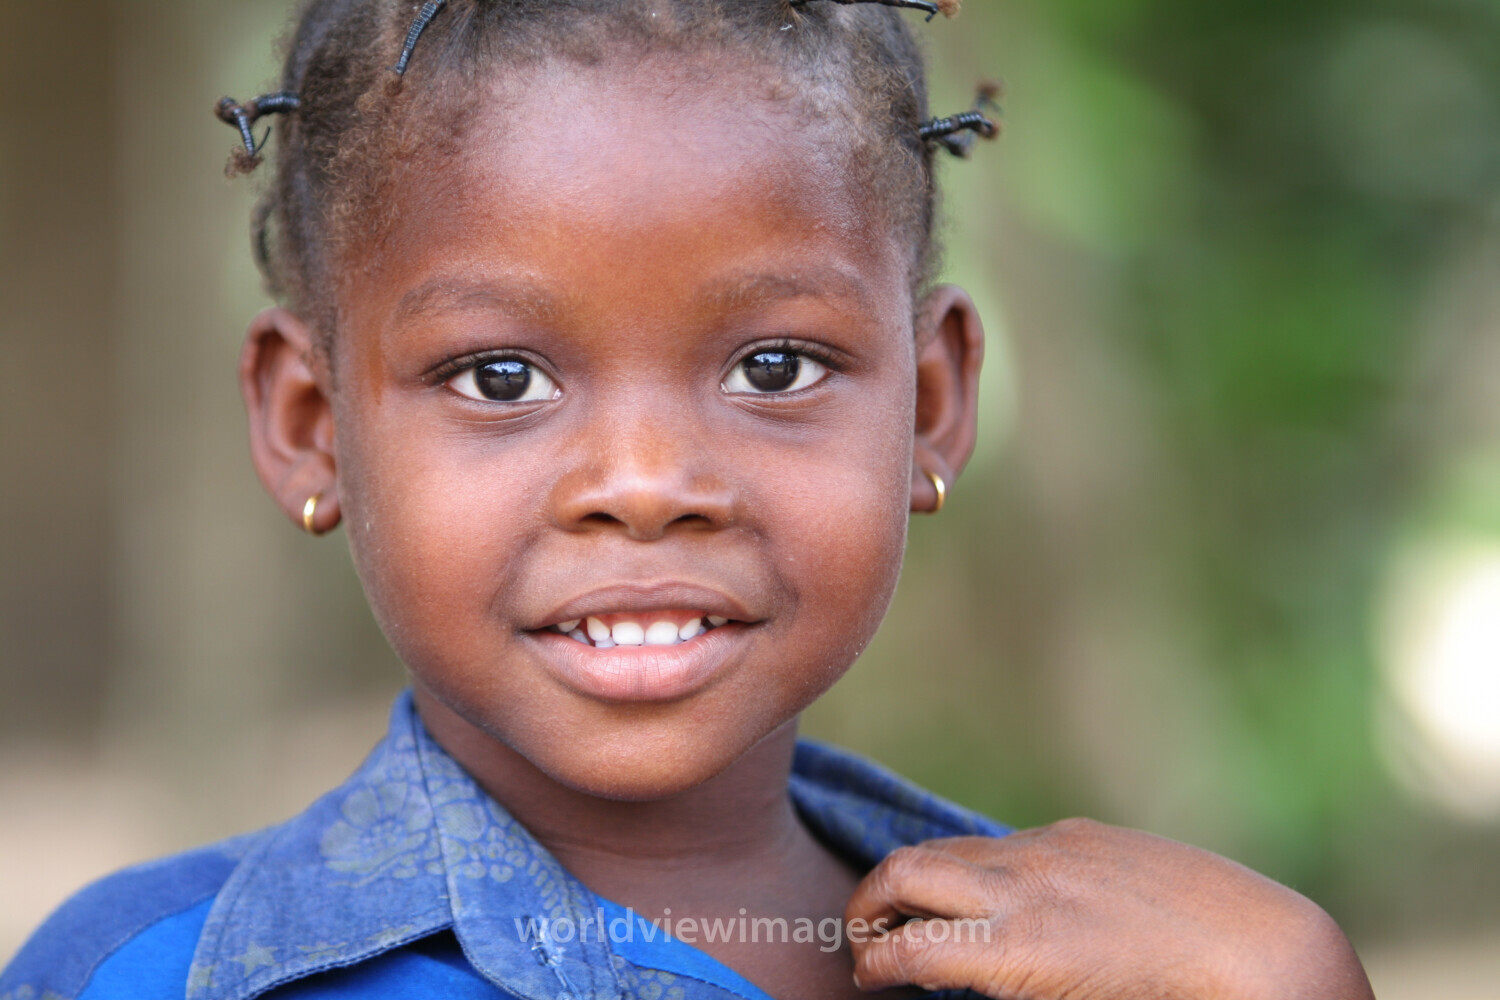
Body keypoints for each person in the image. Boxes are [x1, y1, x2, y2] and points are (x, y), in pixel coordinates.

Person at [1, 2, 1377, 998]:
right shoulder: (150, 977)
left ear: (930, 401)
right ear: (313, 425)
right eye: (499, 376)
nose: (646, 488)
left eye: (774, 365)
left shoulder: (1129, 974)